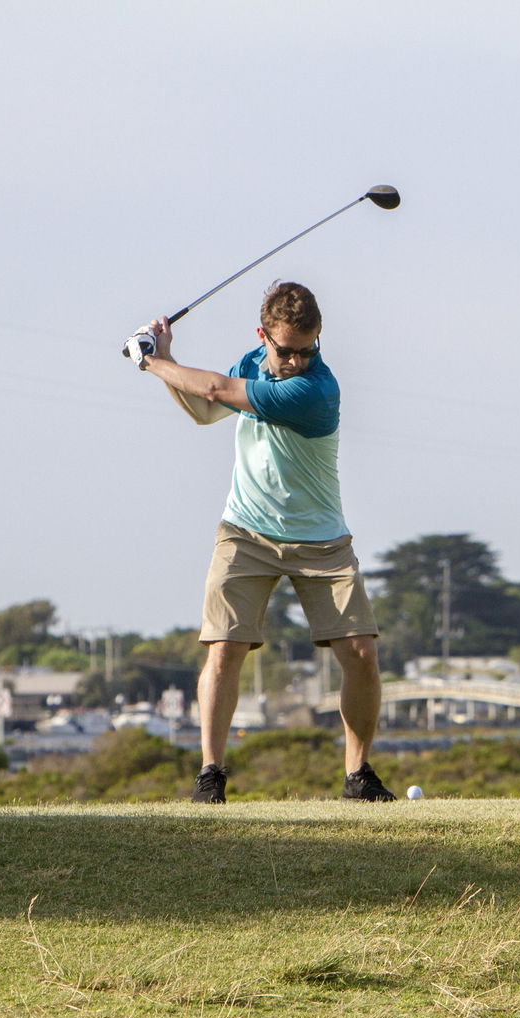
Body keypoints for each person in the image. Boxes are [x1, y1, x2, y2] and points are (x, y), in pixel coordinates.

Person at [127, 281, 394, 803]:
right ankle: (210, 775)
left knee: (361, 652)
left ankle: (357, 776)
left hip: (320, 539)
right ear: (262, 336)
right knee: (223, 650)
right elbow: (205, 412)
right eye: (286, 349)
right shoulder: (251, 362)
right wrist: (167, 360)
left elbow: (214, 392)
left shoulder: (315, 389)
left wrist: (153, 362)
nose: (296, 359)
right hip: (245, 530)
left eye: (307, 348)